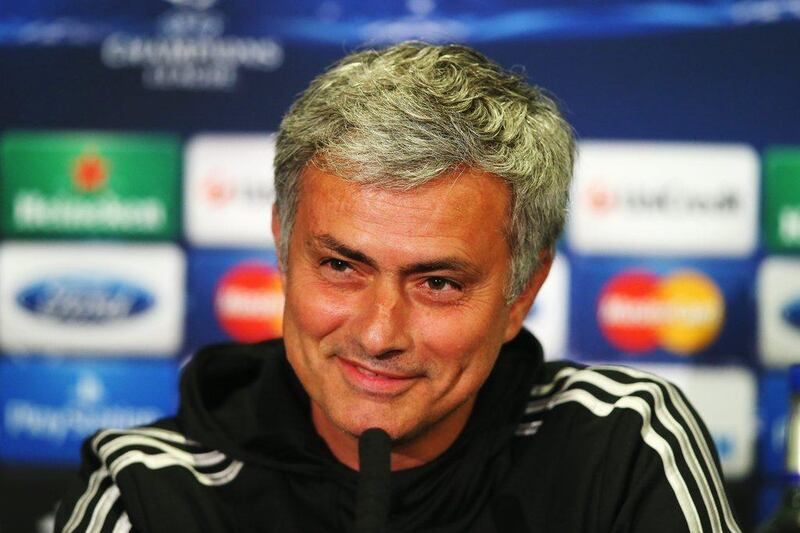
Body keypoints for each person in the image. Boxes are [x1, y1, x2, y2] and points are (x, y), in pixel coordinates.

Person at [55, 41, 740, 532]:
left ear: (523, 292)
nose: (379, 332)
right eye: (341, 266)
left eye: (438, 282)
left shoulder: (623, 449)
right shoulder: (145, 496)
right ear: (282, 247)